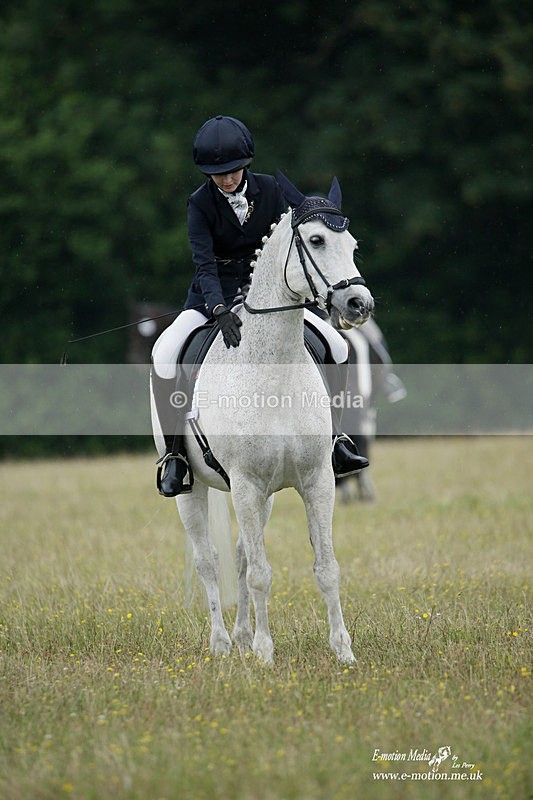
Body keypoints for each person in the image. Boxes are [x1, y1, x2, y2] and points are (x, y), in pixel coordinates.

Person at [152, 115, 369, 496]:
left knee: (337, 346)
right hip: (211, 299)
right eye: (217, 173)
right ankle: (176, 457)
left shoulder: (270, 190)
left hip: (271, 299)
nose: (227, 179)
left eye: (233, 170)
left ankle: (336, 440)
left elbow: (292, 245)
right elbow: (204, 264)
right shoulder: (200, 204)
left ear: (245, 164)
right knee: (165, 353)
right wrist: (219, 309)